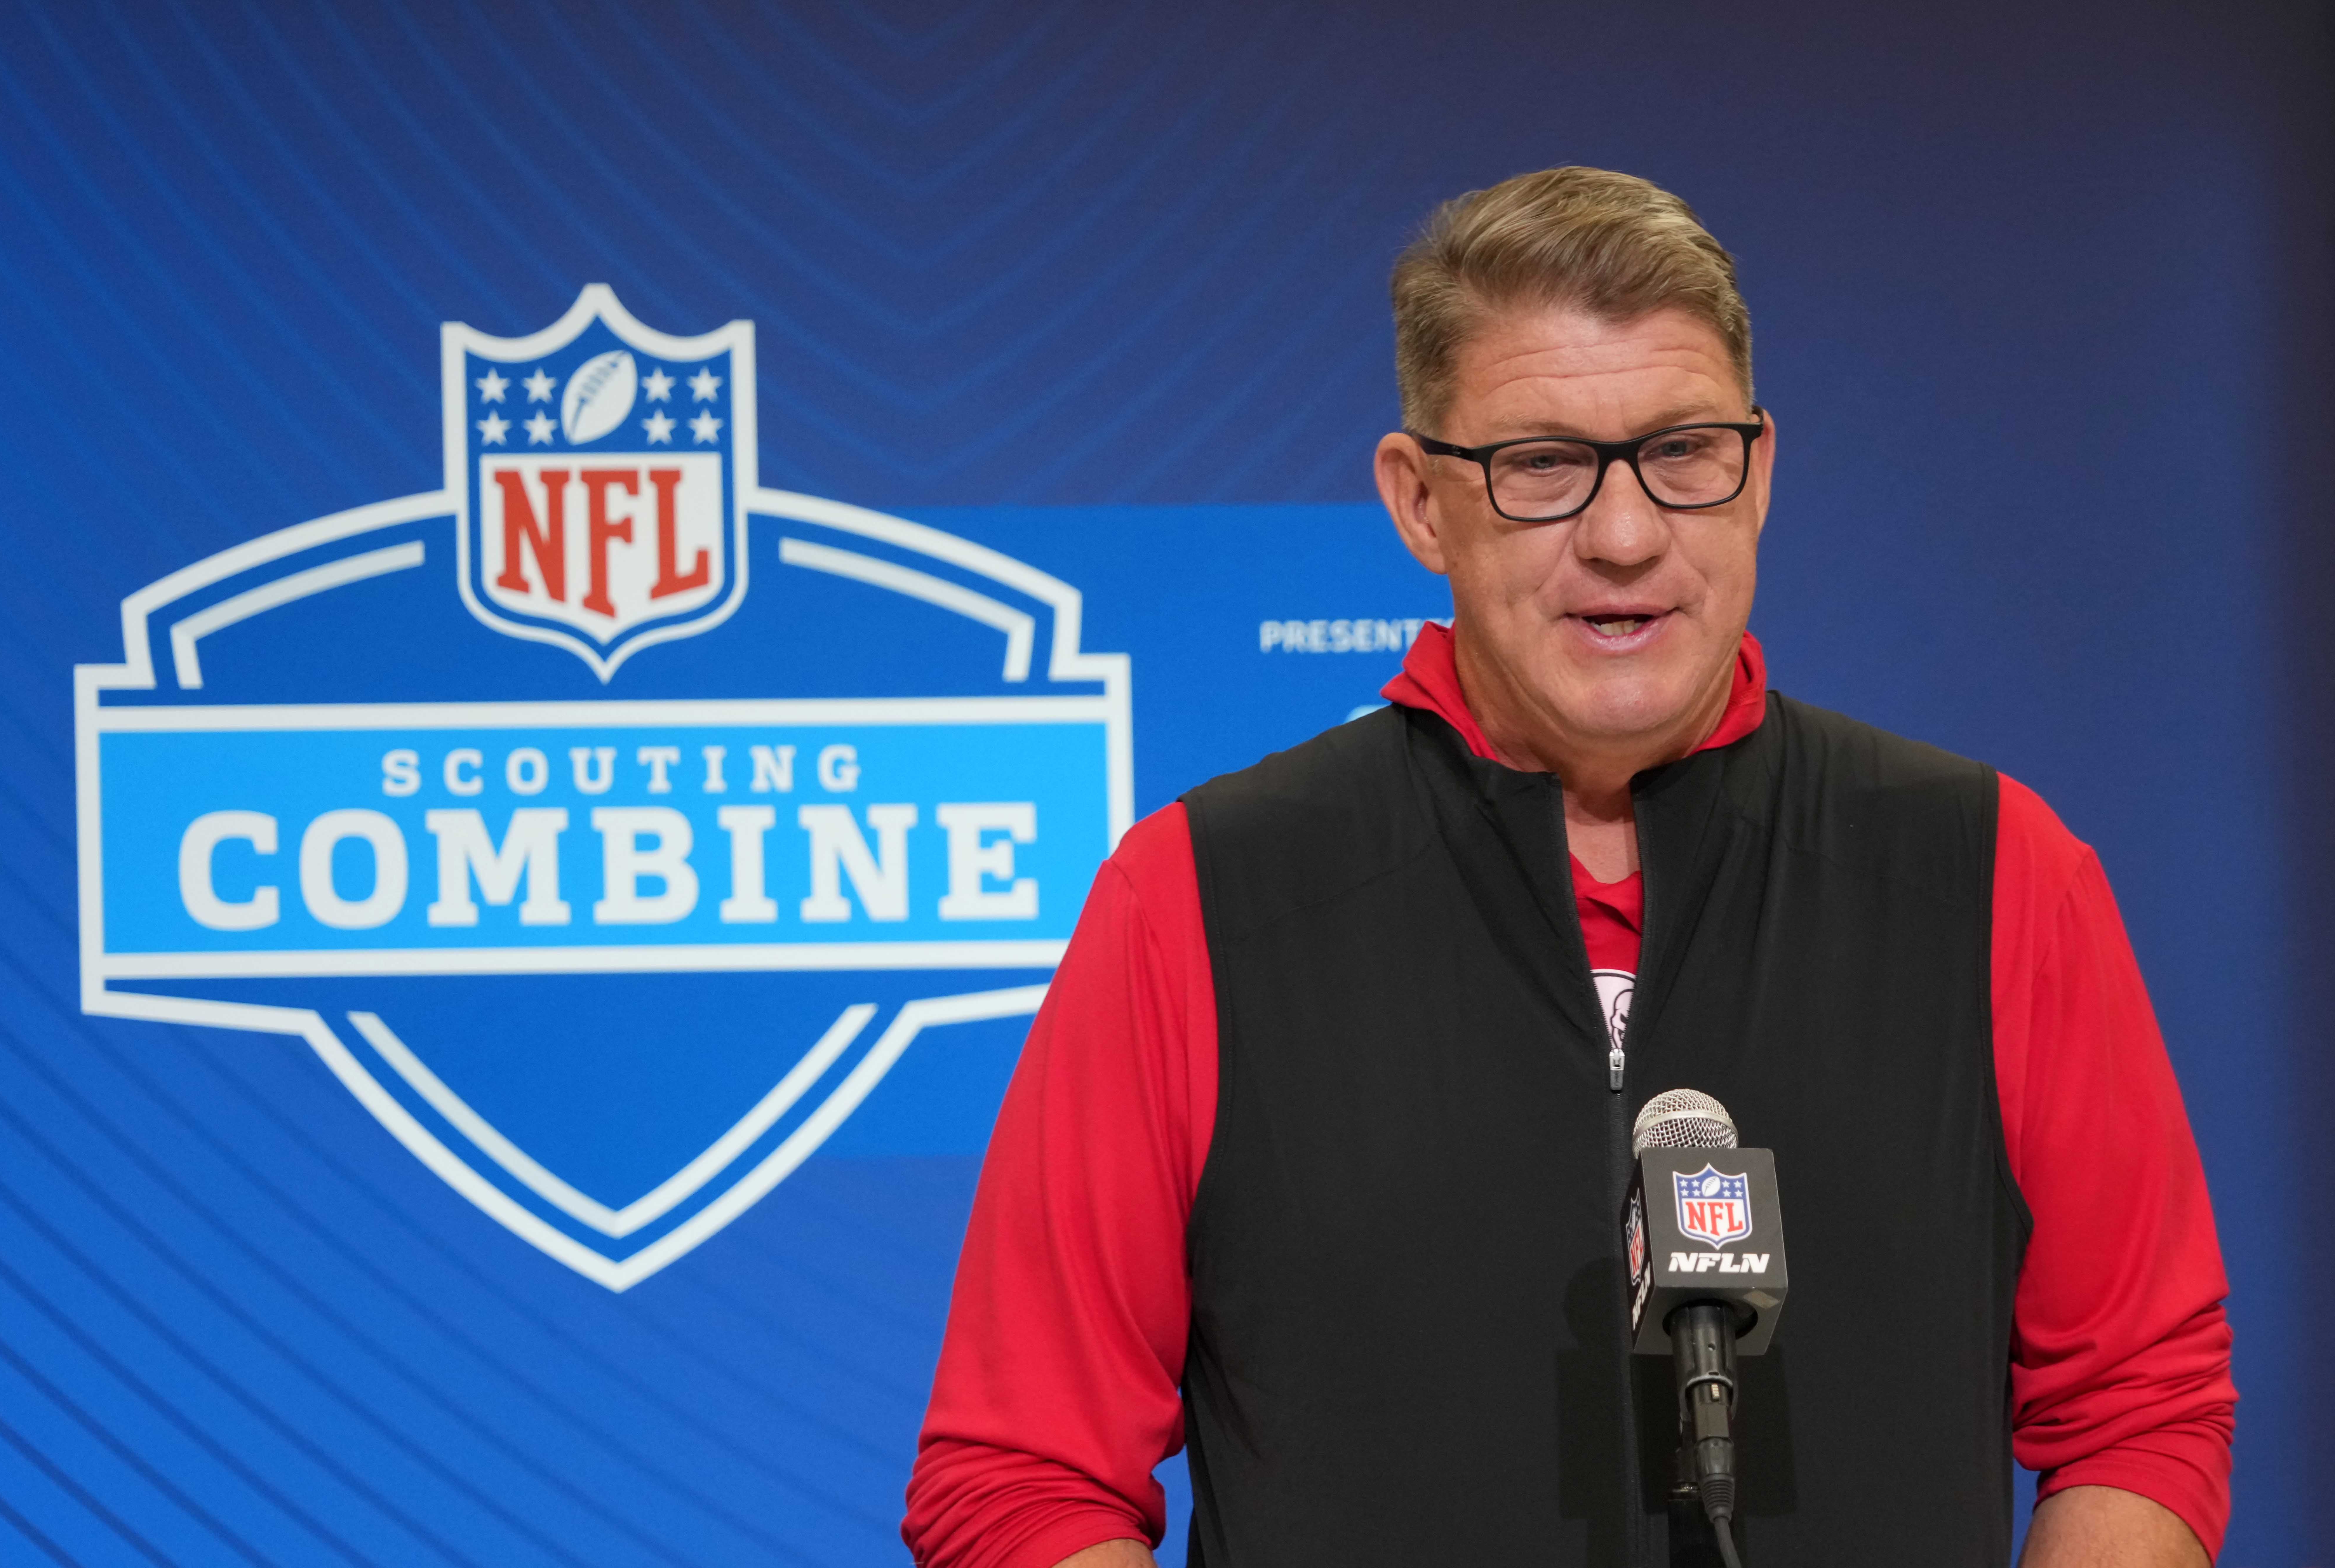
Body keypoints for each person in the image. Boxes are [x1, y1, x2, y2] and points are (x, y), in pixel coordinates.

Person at [902, 167, 2234, 1567]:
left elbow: (2140, 1404)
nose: (1624, 531)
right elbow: (1020, 1480)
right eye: (1543, 464)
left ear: (1761, 472)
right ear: (1421, 502)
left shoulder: (1995, 871)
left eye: (1683, 450)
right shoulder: (1204, 897)